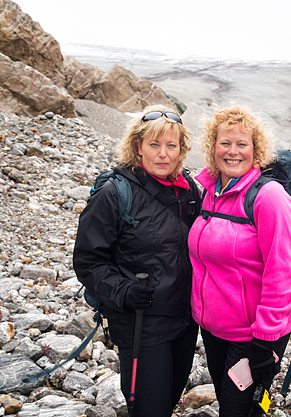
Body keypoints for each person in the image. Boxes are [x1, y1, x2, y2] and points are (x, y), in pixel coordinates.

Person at [73, 105, 202, 417]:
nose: (163, 154)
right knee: (149, 409)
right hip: (140, 322)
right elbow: (88, 260)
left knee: (168, 402)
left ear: (181, 149)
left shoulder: (189, 191)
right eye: (154, 145)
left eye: (171, 145)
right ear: (137, 146)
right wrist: (123, 291)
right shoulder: (115, 193)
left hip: (185, 322)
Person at [189, 104, 291, 417]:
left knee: (240, 411)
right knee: (229, 404)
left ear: (256, 150)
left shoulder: (269, 198)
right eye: (225, 143)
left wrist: (265, 340)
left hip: (252, 336)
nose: (233, 152)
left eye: (242, 144)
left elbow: (282, 273)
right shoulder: (211, 193)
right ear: (213, 148)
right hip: (214, 329)